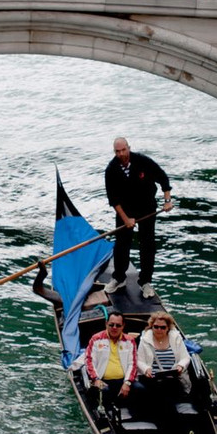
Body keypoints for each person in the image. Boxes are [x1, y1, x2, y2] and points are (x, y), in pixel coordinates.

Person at [103, 138, 173, 298]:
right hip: (125, 210)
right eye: (117, 151)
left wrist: (167, 200)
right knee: (121, 244)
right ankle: (119, 278)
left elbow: (163, 178)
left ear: (129, 148)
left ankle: (145, 282)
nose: (121, 154)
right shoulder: (111, 169)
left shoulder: (143, 161)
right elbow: (114, 200)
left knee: (147, 244)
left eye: (123, 150)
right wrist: (126, 219)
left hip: (147, 207)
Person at [83, 313, 138, 412]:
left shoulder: (130, 341)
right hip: (102, 381)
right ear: (106, 324)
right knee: (105, 392)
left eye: (118, 325)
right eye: (111, 325)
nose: (114, 328)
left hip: (123, 381)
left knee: (141, 389)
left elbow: (133, 364)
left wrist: (127, 383)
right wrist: (96, 379)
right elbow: (89, 361)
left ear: (123, 326)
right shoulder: (96, 339)